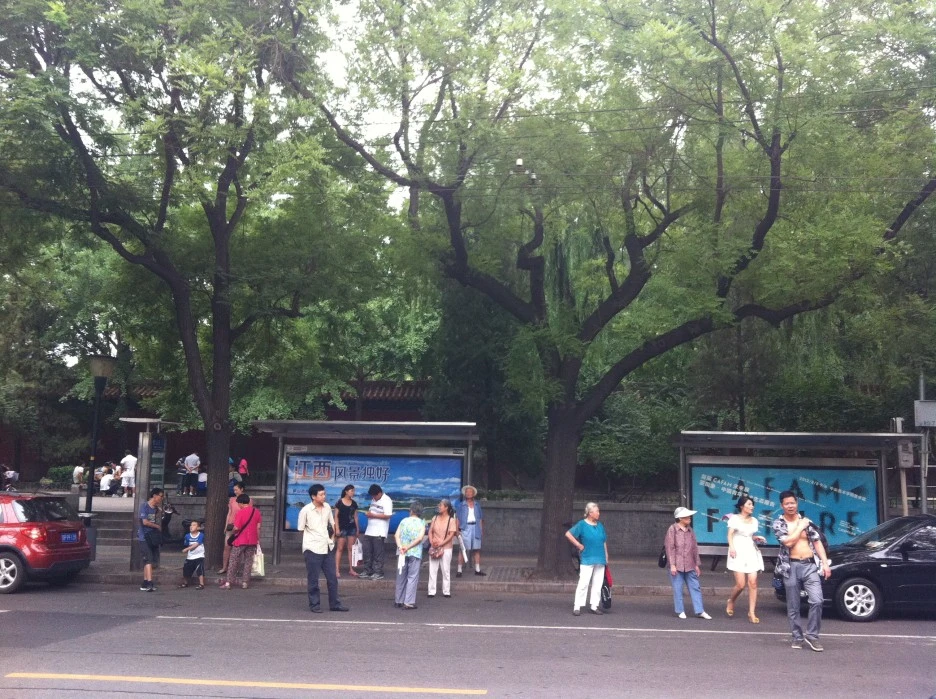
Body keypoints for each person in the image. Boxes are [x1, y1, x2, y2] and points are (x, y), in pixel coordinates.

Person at [772, 490, 832, 652]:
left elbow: (817, 542)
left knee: (817, 600)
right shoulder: (779, 523)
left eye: (793, 503)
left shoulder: (807, 522)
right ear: (782, 506)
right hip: (790, 567)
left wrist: (825, 563)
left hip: (809, 565)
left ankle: (812, 636)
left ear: (797, 503)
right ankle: (797, 637)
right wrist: (800, 527)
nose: (790, 506)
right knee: (793, 606)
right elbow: (788, 543)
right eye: (787, 503)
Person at [297, 484, 348, 613]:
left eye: (324, 494)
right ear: (313, 496)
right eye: (321, 494)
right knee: (313, 579)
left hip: (327, 547)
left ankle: (335, 604)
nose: (324, 496)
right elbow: (301, 529)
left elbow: (332, 523)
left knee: (332, 578)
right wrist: (311, 541)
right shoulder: (306, 510)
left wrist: (332, 539)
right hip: (312, 548)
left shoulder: (327, 507)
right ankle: (314, 604)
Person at [664, 507, 712, 620]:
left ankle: (700, 610)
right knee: (678, 588)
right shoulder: (672, 529)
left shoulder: (690, 530)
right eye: (687, 516)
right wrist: (672, 565)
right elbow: (670, 548)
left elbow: (694, 548)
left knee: (695, 587)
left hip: (690, 564)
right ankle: (680, 610)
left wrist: (696, 564)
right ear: (680, 518)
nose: (689, 518)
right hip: (677, 565)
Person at [726, 495, 767, 623]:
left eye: (752, 504)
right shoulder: (735, 519)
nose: (752, 506)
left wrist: (756, 538)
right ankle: (731, 600)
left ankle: (752, 612)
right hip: (737, 551)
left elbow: (749, 535)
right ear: (742, 506)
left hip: (750, 551)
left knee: (753, 583)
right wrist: (732, 548)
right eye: (749, 504)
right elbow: (730, 534)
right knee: (740, 584)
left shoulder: (754, 520)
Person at [565, 502, 609, 615]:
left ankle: (594, 605)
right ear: (590, 513)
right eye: (597, 511)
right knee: (583, 583)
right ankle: (577, 606)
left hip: (600, 558)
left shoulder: (600, 525)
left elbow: (603, 541)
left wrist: (606, 555)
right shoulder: (582, 524)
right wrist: (578, 545)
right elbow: (568, 534)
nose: (599, 513)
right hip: (587, 557)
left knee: (598, 583)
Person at [222, 493, 262, 590]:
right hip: (252, 540)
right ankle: (245, 583)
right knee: (248, 561)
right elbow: (258, 527)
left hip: (240, 540)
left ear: (241, 503)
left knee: (233, 560)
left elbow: (236, 528)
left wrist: (232, 531)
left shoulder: (240, 513)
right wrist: (258, 540)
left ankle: (228, 582)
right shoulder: (256, 512)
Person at [394, 500, 425, 610]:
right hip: (415, 552)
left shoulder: (404, 521)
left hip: (402, 553)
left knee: (400, 576)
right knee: (412, 577)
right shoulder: (422, 523)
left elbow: (396, 535)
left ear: (411, 510)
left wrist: (401, 547)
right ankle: (408, 602)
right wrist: (408, 547)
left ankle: (398, 600)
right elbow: (420, 538)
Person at [360, 484, 393, 580]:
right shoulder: (373, 500)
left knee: (378, 553)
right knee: (367, 551)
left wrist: (373, 515)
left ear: (379, 493)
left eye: (374, 495)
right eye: (372, 496)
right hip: (369, 530)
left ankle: (378, 572)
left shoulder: (387, 500)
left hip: (379, 531)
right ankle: (367, 570)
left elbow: (388, 515)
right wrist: (369, 514)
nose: (373, 497)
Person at [427, 499, 458, 599]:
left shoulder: (451, 520)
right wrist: (431, 541)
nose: (439, 507)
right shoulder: (435, 518)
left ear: (446, 507)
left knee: (445, 570)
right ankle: (431, 591)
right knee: (432, 569)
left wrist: (441, 543)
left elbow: (451, 535)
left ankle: (446, 591)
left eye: (441, 505)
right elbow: (430, 531)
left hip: (446, 548)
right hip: (434, 546)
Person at [138, 487, 165, 592]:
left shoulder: (155, 508)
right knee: (148, 559)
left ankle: (145, 582)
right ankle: (149, 582)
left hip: (152, 537)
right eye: (160, 496)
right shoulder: (144, 506)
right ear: (154, 496)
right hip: (144, 536)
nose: (161, 498)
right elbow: (144, 522)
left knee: (148, 560)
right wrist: (156, 526)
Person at [455, 485, 485, 577]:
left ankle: (477, 570)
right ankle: (459, 570)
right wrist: (457, 530)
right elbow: (457, 518)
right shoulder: (461, 505)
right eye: (467, 492)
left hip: (475, 527)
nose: (468, 493)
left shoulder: (477, 505)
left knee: (477, 549)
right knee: (462, 549)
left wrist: (481, 529)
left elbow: (480, 519)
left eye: (470, 492)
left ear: (473, 494)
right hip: (465, 527)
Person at [218, 482, 246, 574]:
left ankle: (236, 568)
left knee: (238, 548)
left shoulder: (247, 499)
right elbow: (229, 513)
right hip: (231, 524)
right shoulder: (232, 499)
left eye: (236, 490)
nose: (235, 492)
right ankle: (224, 567)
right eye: (234, 490)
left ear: (242, 489)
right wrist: (226, 525)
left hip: (240, 526)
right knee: (227, 546)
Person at [333, 485, 360, 578]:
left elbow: (355, 517)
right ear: (346, 491)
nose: (353, 492)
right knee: (340, 548)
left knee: (351, 549)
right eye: (351, 491)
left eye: (354, 491)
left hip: (351, 528)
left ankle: (351, 569)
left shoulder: (354, 503)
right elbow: (336, 516)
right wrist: (337, 528)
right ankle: (337, 570)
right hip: (341, 528)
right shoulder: (339, 502)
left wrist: (357, 529)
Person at [178, 520, 206, 590]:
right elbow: (186, 544)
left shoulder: (201, 535)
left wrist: (187, 549)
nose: (191, 526)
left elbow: (197, 544)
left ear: (198, 528)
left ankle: (201, 584)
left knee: (199, 569)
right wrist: (188, 548)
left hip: (199, 555)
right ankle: (185, 583)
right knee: (186, 569)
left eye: (194, 525)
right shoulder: (187, 536)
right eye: (191, 525)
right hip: (190, 556)